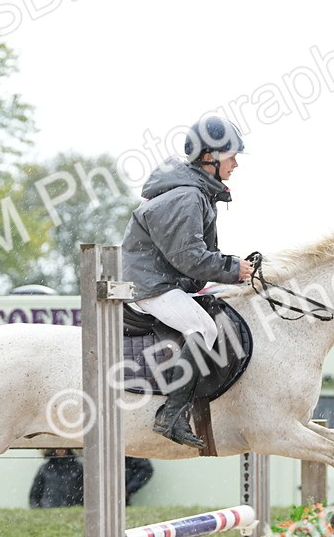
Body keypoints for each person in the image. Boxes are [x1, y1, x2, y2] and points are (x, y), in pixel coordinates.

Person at [121, 116, 253, 449]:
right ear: (209, 156)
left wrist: (234, 269)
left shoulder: (197, 193)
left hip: (167, 281)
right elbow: (190, 258)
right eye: (230, 156)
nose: (235, 163)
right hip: (152, 286)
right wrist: (232, 269)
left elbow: (197, 257)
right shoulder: (187, 196)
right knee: (204, 330)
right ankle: (170, 414)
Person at [28, 450, 155, 508]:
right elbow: (34, 495)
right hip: (54, 509)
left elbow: (145, 469)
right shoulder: (46, 469)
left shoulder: (79, 468)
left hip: (111, 502)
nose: (60, 451)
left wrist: (127, 490)